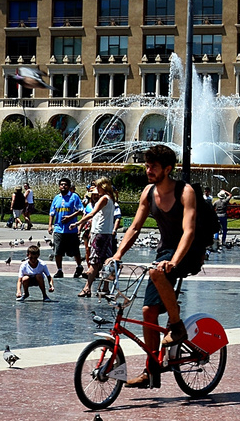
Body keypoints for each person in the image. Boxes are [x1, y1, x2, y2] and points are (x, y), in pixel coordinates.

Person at [110, 144, 208, 388]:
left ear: (168, 168)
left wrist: (174, 262)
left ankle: (177, 327)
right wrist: (118, 254)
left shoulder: (185, 192)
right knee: (147, 312)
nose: (148, 170)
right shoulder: (148, 192)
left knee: (156, 270)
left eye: (153, 166)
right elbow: (134, 227)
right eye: (147, 165)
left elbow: (190, 230)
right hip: (165, 252)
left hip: (189, 251)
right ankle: (151, 371)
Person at [75, 177, 120, 298]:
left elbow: (91, 213)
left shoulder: (104, 198)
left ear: (102, 187)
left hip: (99, 233)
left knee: (94, 263)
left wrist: (78, 223)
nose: (96, 189)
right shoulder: (111, 199)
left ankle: (87, 288)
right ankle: (105, 288)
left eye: (97, 186)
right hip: (107, 233)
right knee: (106, 262)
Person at [49, 177, 85, 277]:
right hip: (58, 229)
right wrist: (50, 225)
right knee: (57, 251)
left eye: (65, 184)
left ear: (69, 187)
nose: (63, 186)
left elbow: (81, 210)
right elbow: (52, 213)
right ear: (59, 186)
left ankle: (79, 266)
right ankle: (59, 270)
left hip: (71, 230)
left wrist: (70, 217)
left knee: (75, 251)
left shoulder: (74, 197)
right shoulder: (56, 198)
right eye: (61, 184)